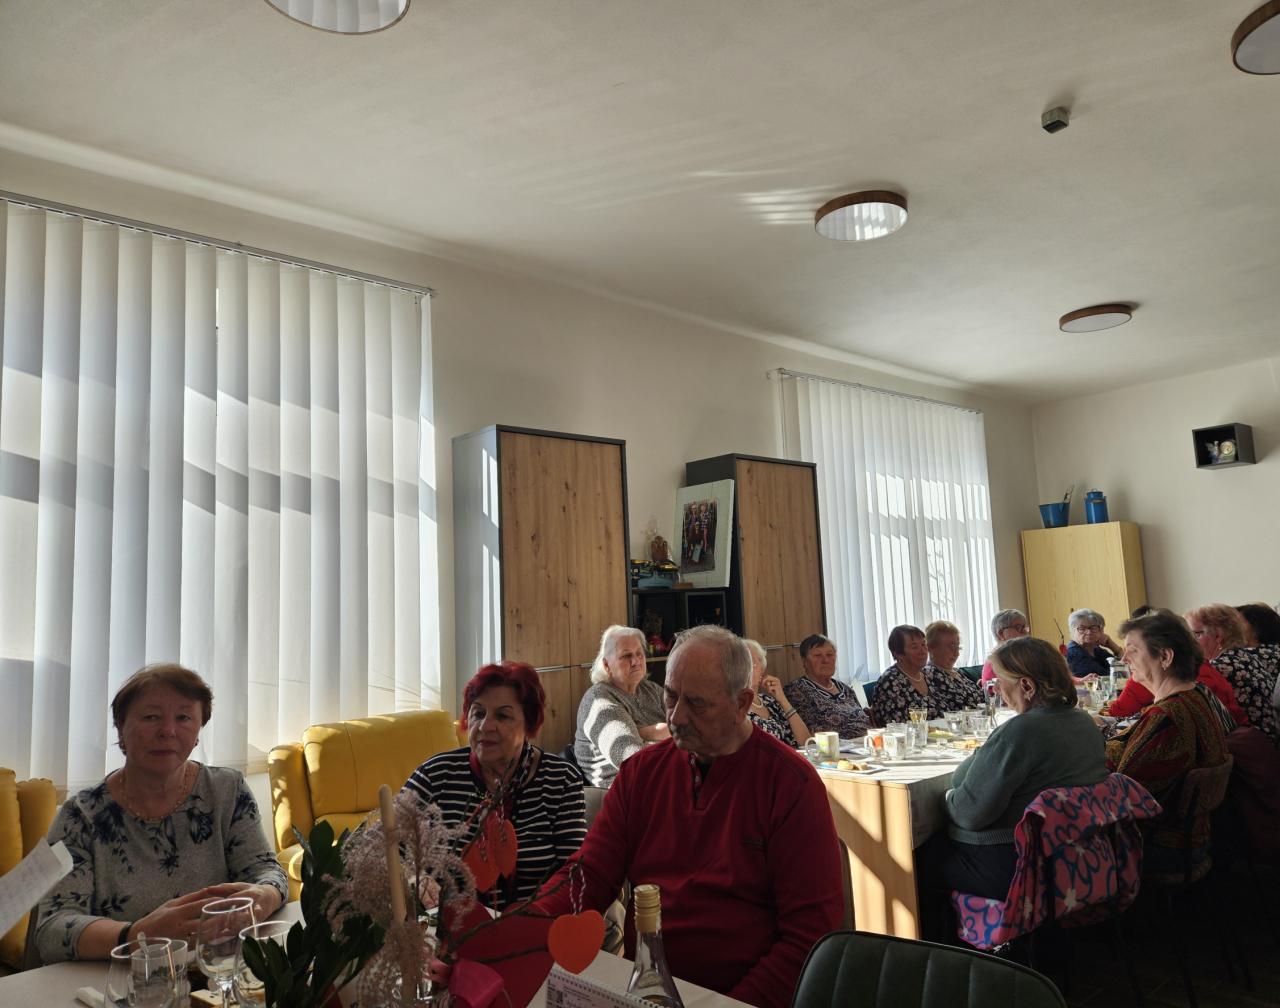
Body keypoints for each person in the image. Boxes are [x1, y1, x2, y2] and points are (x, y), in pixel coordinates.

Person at [532, 626, 843, 1008]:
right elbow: (590, 874)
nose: (676, 717)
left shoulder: (790, 783)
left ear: (742, 703)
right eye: (670, 696)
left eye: (697, 703)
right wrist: (522, 926)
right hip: (648, 991)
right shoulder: (642, 773)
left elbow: (809, 936)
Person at [35, 664, 287, 964]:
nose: (167, 731)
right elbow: (53, 928)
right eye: (151, 717)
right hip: (124, 977)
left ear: (198, 733)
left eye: (183, 718)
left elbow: (265, 870)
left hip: (218, 969)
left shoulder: (227, 790)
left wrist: (267, 894)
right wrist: (136, 936)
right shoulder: (80, 816)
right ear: (121, 729)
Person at [916, 637, 1107, 937]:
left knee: (914, 858)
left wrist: (948, 796)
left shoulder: (1020, 732)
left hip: (1017, 865)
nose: (996, 690)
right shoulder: (1084, 722)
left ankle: (945, 954)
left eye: (1000, 682)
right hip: (1072, 854)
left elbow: (968, 813)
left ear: (1026, 686)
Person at [403, 661, 586, 908]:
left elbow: (574, 870)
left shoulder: (560, 779)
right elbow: (383, 843)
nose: (485, 726)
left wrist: (525, 918)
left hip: (538, 922)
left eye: (502, 715)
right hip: (451, 925)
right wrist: (413, 877)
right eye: (478, 713)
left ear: (529, 723)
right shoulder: (435, 775)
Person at [1105, 610, 1230, 879]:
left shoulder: (1166, 717)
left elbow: (1120, 796)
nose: (1124, 659)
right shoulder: (1197, 695)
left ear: (1165, 657)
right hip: (1194, 836)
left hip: (1164, 845)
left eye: (1133, 650)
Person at [574, 625, 670, 787]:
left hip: (660, 779)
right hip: (622, 789)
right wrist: (668, 733)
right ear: (607, 665)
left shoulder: (650, 689)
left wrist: (646, 732)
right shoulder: (599, 699)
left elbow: (690, 726)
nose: (636, 661)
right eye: (626, 656)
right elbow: (634, 761)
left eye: (639, 654)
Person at [1186, 603, 1280, 745]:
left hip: (1250, 749)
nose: (1190, 642)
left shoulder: (1220, 667)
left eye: (1196, 634)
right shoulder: (1245, 656)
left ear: (1218, 636)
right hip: (1265, 744)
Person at [873, 624, 983, 724]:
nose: (922, 651)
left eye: (923, 644)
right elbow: (896, 726)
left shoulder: (925, 676)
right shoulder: (890, 681)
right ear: (898, 653)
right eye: (914, 647)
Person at [783, 634, 870, 738]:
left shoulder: (846, 689)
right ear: (804, 661)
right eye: (817, 655)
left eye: (830, 654)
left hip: (866, 743)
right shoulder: (796, 690)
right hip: (834, 747)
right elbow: (810, 734)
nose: (825, 660)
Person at [743, 638, 810, 747]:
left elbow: (806, 742)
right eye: (741, 662)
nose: (746, 668)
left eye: (752, 662)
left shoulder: (770, 702)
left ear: (762, 669)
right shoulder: (734, 706)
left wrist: (782, 699)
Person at [1065, 608, 1120, 680]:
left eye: (1093, 628)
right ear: (1072, 632)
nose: (1089, 632)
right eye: (1082, 628)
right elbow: (1110, 677)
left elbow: (1126, 669)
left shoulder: (1096, 650)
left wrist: (1115, 648)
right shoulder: (1073, 652)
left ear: (1101, 631)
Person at [979, 609, 1031, 683]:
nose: (1025, 632)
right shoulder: (997, 660)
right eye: (1018, 627)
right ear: (1001, 633)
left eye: (1025, 627)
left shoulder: (1020, 655)